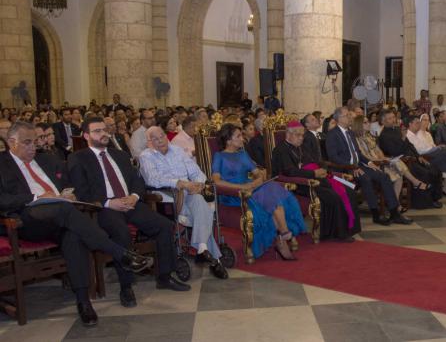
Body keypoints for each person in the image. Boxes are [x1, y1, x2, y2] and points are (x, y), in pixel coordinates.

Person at [2, 121, 153, 326]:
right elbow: (3, 200)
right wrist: (35, 197)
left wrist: (68, 194)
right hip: (27, 220)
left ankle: (83, 303)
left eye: (35, 142)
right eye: (27, 143)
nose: (32, 147)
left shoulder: (46, 159)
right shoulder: (3, 165)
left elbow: (66, 184)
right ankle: (121, 253)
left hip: (62, 217)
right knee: (66, 211)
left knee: (74, 235)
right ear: (12, 142)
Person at [69, 117, 191, 309]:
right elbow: (82, 191)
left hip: (131, 203)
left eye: (104, 130)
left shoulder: (119, 155)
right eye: (97, 131)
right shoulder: (79, 158)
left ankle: (165, 276)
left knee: (164, 226)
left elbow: (138, 180)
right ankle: (126, 287)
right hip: (104, 209)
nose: (103, 134)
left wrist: (134, 196)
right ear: (86, 136)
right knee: (121, 233)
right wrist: (109, 202)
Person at [139, 127, 228, 279]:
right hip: (167, 198)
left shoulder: (177, 151)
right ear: (149, 143)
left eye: (162, 136)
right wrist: (179, 183)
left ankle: (202, 249)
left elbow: (196, 171)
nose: (161, 140)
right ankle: (213, 258)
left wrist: (199, 184)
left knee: (200, 199)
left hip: (190, 193)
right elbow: (152, 179)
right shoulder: (146, 156)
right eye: (155, 138)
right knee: (203, 214)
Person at [212, 124, 306, 260]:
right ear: (228, 140)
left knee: (273, 194)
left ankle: (283, 236)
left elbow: (258, 174)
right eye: (238, 136)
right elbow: (217, 181)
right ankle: (285, 236)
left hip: (251, 189)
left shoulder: (243, 154)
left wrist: (255, 182)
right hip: (233, 194)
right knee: (271, 198)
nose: (242, 139)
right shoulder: (219, 156)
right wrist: (241, 187)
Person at [271, 121, 361, 242]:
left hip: (316, 179)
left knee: (349, 191)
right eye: (298, 135)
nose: (301, 138)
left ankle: (350, 229)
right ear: (288, 135)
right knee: (333, 196)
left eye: (302, 135)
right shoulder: (280, 150)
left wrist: (328, 172)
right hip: (300, 184)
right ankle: (335, 234)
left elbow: (316, 162)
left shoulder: (302, 147)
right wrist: (313, 174)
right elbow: (289, 172)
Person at [325, 107, 412, 225]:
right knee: (366, 179)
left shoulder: (350, 133)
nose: (350, 118)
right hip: (345, 169)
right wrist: (352, 167)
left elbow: (358, 154)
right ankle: (376, 214)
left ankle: (394, 213)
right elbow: (333, 157)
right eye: (347, 116)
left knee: (384, 176)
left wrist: (370, 163)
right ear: (339, 118)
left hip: (359, 166)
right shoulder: (332, 134)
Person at [351, 115, 430, 208]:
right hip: (371, 165)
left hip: (380, 161)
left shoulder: (369, 136)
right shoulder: (356, 139)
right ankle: (415, 183)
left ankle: (395, 204)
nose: (368, 124)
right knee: (397, 168)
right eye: (365, 122)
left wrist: (384, 158)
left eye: (368, 121)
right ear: (358, 125)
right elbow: (364, 156)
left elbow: (378, 151)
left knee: (398, 173)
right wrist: (381, 160)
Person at [406, 114, 446, 205]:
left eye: (427, 120)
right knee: (444, 149)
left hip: (435, 157)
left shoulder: (427, 134)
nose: (423, 122)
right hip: (426, 159)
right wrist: (436, 148)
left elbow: (432, 146)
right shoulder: (412, 134)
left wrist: (436, 148)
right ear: (411, 124)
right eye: (421, 121)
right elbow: (420, 151)